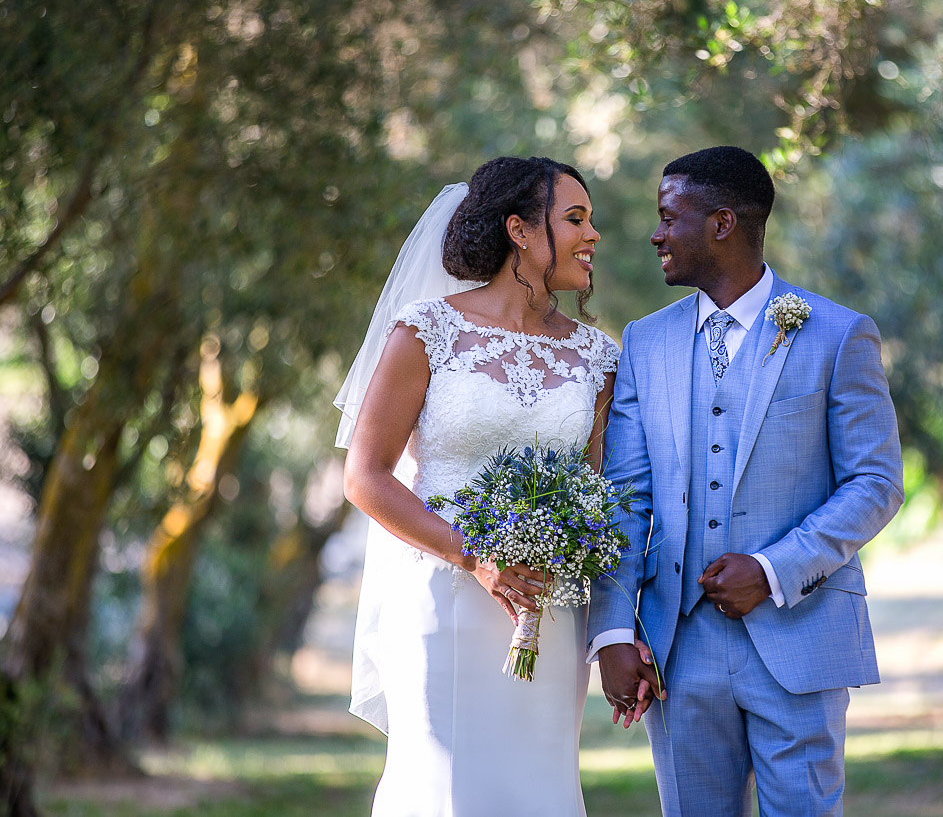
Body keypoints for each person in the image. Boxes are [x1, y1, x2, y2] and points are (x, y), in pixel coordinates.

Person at [588, 146, 904, 816]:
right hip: (681, 649)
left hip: (801, 635)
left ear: (722, 223)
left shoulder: (838, 335)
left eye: (669, 217)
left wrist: (771, 567)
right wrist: (613, 632)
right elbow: (625, 497)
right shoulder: (646, 342)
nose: (655, 234)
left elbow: (876, 482)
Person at [335, 156, 626, 816]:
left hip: (550, 612)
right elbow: (366, 476)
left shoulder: (598, 357)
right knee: (444, 790)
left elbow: (603, 492)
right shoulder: (428, 331)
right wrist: (476, 556)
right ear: (520, 231)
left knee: (540, 789)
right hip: (443, 604)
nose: (593, 236)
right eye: (575, 219)